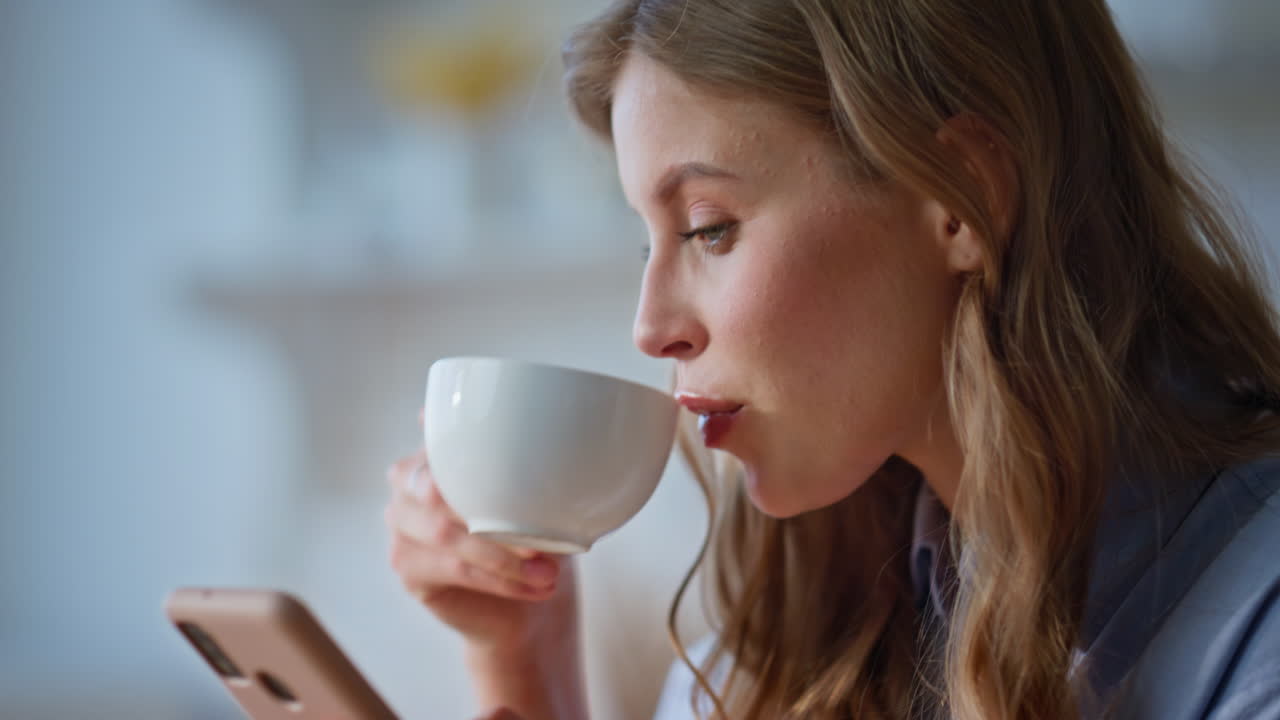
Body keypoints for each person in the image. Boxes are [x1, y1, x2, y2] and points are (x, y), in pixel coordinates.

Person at [384, 1, 1280, 718]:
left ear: (962, 196)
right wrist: (523, 657)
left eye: (708, 228)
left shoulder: (1253, 628)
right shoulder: (788, 639)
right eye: (645, 243)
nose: (650, 327)